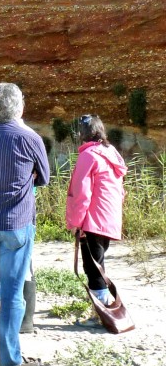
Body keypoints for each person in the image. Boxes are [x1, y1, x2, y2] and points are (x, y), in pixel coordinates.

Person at [0, 83, 50, 366]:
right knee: (13, 291)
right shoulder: (29, 137)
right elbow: (44, 178)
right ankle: (9, 357)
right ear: (20, 106)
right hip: (16, 222)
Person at [65, 114, 127, 307]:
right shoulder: (110, 153)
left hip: (92, 220)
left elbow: (81, 194)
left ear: (82, 134)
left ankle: (103, 310)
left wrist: (75, 223)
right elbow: (120, 191)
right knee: (98, 265)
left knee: (93, 268)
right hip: (108, 219)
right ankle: (100, 305)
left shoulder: (88, 156)